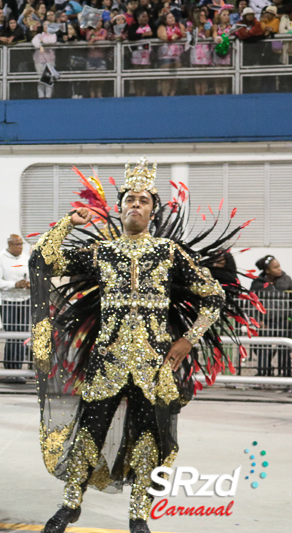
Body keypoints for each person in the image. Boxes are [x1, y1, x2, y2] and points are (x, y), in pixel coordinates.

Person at [31, 159, 254, 533]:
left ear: (153, 209)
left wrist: (187, 339)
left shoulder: (169, 253)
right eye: (130, 200)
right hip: (107, 361)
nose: (136, 205)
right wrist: (69, 223)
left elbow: (214, 296)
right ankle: (70, 505)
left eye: (143, 201)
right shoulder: (103, 252)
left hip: (155, 365)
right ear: (119, 208)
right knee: (90, 432)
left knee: (150, 439)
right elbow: (44, 260)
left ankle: (139, 515)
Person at [0, 234, 30, 369]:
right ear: (10, 245)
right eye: (17, 244)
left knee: (22, 336)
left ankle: (18, 368)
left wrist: (30, 284)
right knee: (11, 336)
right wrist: (14, 284)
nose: (20, 247)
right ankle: (9, 368)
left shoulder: (26, 259)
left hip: (25, 300)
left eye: (21, 244)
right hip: (8, 302)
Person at [250, 255, 292, 376]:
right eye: (275, 267)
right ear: (267, 271)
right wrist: (258, 320)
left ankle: (285, 375)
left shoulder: (287, 280)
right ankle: (264, 373)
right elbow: (252, 303)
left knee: (284, 350)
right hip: (265, 323)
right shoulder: (257, 284)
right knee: (264, 349)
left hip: (284, 322)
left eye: (279, 266)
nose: (279, 269)